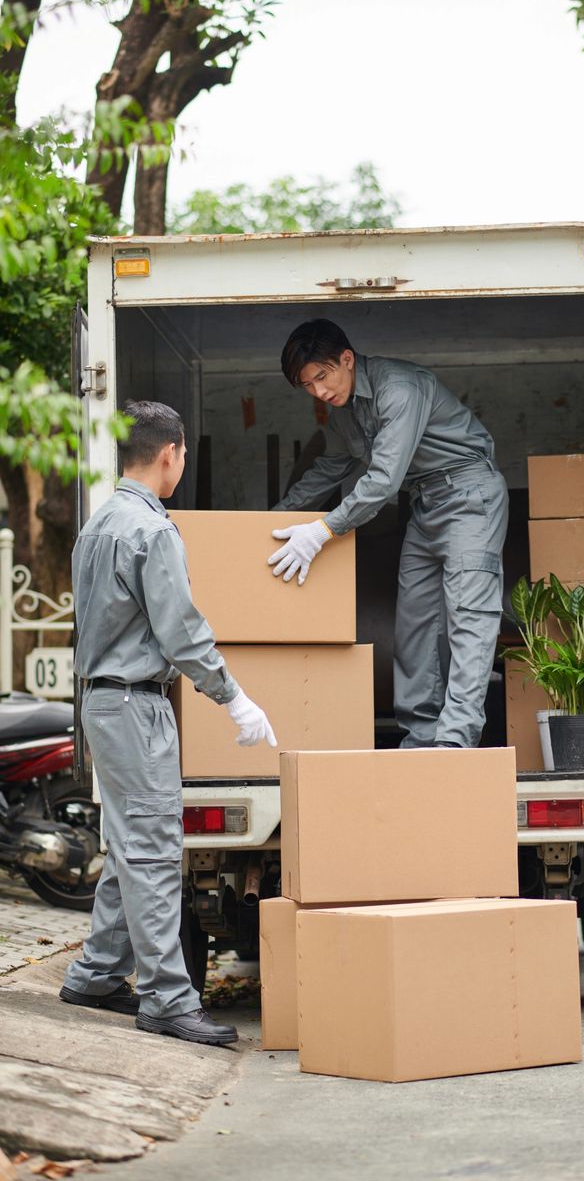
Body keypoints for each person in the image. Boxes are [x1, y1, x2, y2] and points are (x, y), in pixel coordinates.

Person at [60, 401, 276, 1047]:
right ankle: (166, 998)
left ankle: (96, 974)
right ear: (170, 454)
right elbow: (180, 633)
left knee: (130, 842)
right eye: (183, 455)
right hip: (135, 704)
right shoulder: (152, 531)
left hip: (100, 702)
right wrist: (234, 698)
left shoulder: (96, 525)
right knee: (154, 850)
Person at [269, 319, 509, 749]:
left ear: (346, 359)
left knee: (468, 617)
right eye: (308, 386)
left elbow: (381, 482)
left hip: (470, 496)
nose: (320, 393)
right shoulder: (343, 411)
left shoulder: (400, 387)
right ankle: (421, 738)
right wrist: (271, 517)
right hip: (423, 505)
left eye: (323, 377)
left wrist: (322, 530)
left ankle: (454, 744)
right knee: (415, 623)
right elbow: (331, 466)